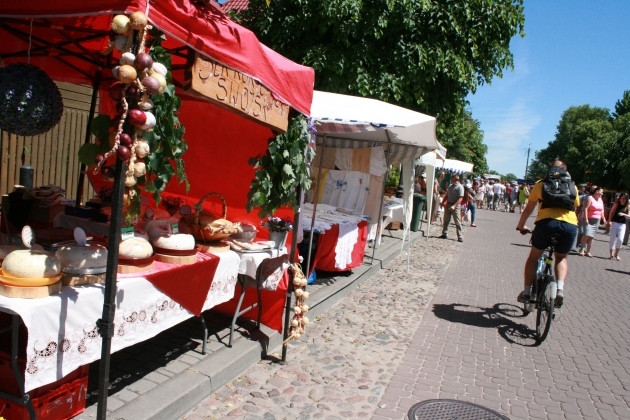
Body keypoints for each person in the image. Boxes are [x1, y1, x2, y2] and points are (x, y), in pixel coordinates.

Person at [516, 160, 580, 307]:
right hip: (569, 226)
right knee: (561, 257)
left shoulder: (541, 183)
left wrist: (521, 226)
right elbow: (575, 207)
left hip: (546, 224)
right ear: (565, 170)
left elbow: (528, 209)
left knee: (534, 257)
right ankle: (559, 289)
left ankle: (526, 292)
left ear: (550, 169)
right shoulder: (572, 186)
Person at [579, 186, 607, 257]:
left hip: (596, 220)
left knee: (592, 236)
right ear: (597, 191)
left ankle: (588, 251)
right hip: (588, 218)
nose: (602, 194)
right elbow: (585, 209)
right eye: (601, 192)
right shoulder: (590, 198)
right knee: (586, 234)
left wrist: (604, 219)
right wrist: (586, 219)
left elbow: (602, 211)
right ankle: (581, 248)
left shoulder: (600, 200)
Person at [439, 174, 464, 242]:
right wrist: (443, 202)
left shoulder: (460, 187)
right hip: (448, 204)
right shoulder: (450, 186)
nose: (450, 179)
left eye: (451, 178)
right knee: (446, 220)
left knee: (457, 222)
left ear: (455, 179)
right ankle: (444, 233)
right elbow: (447, 195)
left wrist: (454, 206)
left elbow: (460, 198)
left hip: (456, 206)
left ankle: (460, 236)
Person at [607, 193, 630, 260]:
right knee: (612, 239)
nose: (622, 200)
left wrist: (623, 214)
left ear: (626, 199)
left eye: (624, 198)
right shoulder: (616, 204)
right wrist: (609, 221)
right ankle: (611, 254)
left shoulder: (628, 206)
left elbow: (629, 215)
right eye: (621, 198)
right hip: (614, 222)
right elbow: (611, 212)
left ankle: (616, 254)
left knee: (620, 239)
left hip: (622, 224)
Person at [574, 184, 588, 252]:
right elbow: (578, 207)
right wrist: (576, 215)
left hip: (589, 217)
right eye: (583, 187)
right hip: (581, 216)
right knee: (581, 231)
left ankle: (584, 246)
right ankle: (579, 245)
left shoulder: (587, 196)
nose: (584, 189)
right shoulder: (581, 196)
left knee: (586, 232)